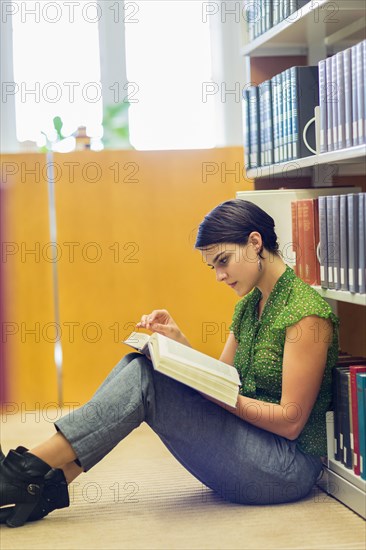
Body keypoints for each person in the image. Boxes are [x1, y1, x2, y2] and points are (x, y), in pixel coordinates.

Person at [0, 199, 339, 527]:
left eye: (223, 261)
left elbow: (290, 422)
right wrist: (178, 344)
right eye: (213, 267)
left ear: (254, 243)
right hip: (250, 443)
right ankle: (44, 481)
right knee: (139, 365)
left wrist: (218, 394)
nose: (219, 276)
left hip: (284, 468)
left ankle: (21, 474)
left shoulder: (305, 314)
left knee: (147, 381)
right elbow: (225, 378)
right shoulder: (250, 305)